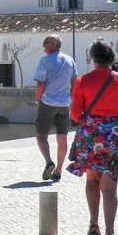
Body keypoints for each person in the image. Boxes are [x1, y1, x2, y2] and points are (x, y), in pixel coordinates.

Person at [67, 38, 118, 235]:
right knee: (110, 187)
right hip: (115, 137)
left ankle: (93, 224)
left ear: (92, 59)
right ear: (112, 59)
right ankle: (110, 234)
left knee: (92, 181)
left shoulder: (83, 81)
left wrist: (95, 117)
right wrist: (116, 113)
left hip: (90, 135)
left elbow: (74, 114)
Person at [31, 34, 77, 181]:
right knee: (62, 137)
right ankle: (58, 170)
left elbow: (40, 84)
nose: (43, 46)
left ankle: (48, 162)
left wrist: (38, 99)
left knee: (41, 135)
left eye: (45, 43)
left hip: (48, 102)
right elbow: (75, 82)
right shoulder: (70, 60)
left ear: (53, 44)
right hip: (64, 104)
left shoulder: (45, 61)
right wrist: (71, 98)